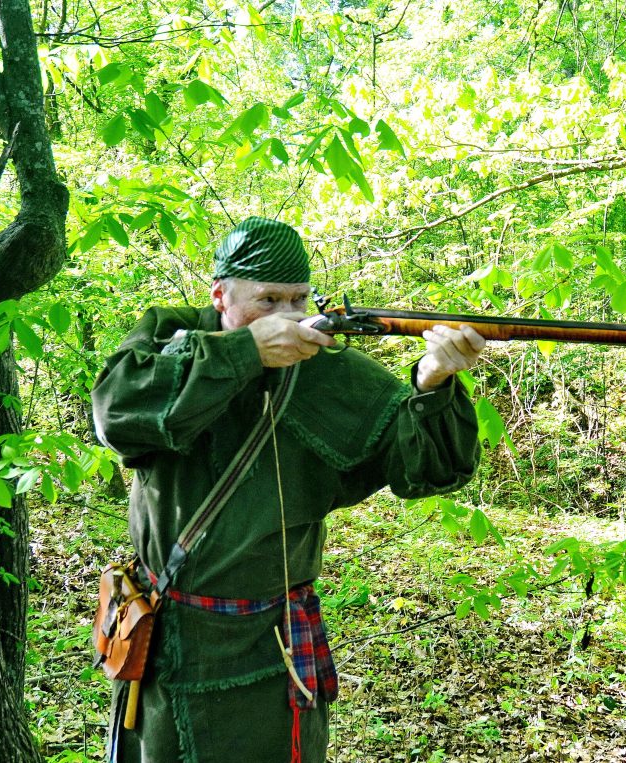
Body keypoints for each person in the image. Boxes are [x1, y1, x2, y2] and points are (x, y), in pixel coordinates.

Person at [92, 216, 486, 762]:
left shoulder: (327, 370)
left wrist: (433, 381)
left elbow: (425, 465)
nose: (287, 317)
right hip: (164, 637)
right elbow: (117, 411)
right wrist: (244, 353)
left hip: (271, 648)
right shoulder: (170, 338)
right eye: (268, 299)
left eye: (298, 300)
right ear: (221, 297)